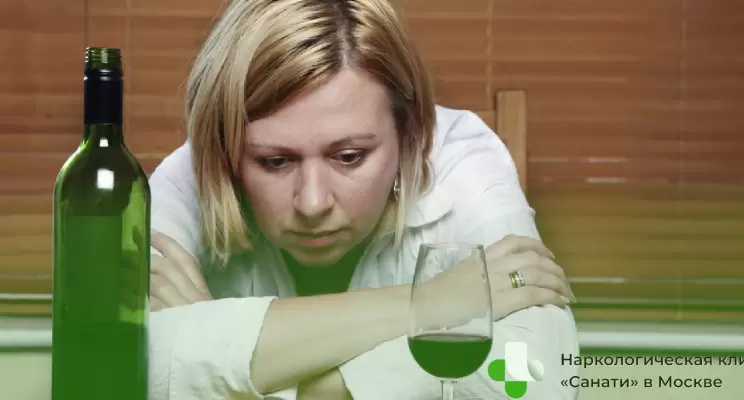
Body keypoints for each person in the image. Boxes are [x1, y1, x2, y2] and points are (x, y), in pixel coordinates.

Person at [145, 0, 580, 399]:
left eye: (349, 156)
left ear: (410, 135)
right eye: (275, 161)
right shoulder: (190, 176)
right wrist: (431, 303)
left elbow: (540, 379)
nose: (313, 203)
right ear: (224, 153)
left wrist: (221, 358)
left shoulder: (460, 158)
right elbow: (132, 365)